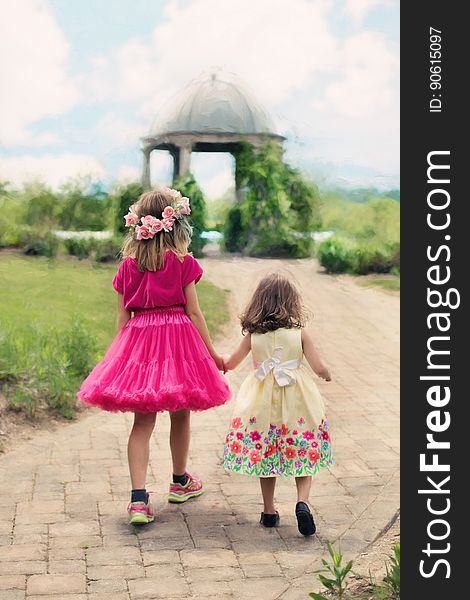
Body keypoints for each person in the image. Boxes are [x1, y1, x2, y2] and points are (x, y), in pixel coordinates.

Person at [77, 188, 230, 525]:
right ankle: (179, 481)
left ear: (139, 226)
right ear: (173, 224)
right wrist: (213, 354)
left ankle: (137, 499)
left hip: (141, 343)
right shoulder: (182, 262)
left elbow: (122, 320)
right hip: (177, 342)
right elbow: (194, 313)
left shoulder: (128, 267)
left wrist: (118, 362)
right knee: (180, 412)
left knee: (142, 421)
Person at [222, 273, 332, 536]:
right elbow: (318, 366)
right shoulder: (299, 334)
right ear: (292, 303)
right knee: (304, 450)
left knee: (266, 455)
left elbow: (232, 362)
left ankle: (269, 511)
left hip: (262, 404)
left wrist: (219, 360)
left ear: (258, 303)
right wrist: (326, 374)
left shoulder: (253, 335)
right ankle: (302, 502)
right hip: (297, 401)